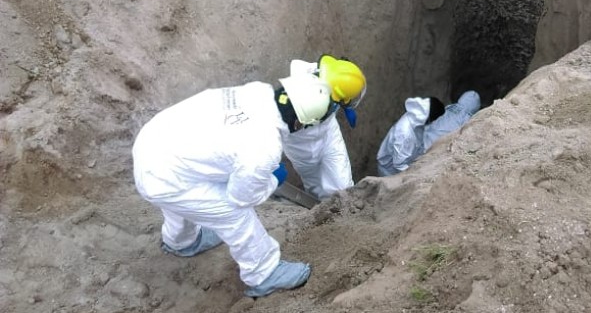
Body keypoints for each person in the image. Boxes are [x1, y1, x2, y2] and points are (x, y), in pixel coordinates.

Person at [132, 72, 333, 298]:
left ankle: (182, 241)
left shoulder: (257, 91)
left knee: (184, 198)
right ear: (299, 122)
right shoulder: (263, 147)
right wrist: (273, 179)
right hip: (166, 176)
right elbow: (242, 198)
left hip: (155, 144)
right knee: (234, 214)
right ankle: (264, 273)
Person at [281, 55, 367, 199]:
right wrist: (270, 163)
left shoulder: (333, 74)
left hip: (329, 136)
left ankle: (346, 212)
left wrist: (345, 105)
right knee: (315, 189)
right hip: (301, 146)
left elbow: (343, 83)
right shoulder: (291, 100)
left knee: (343, 187)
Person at [376, 96, 445, 177]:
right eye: (433, 120)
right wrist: (416, 174)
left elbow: (419, 144)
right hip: (390, 172)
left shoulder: (417, 118)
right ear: (429, 118)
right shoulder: (404, 134)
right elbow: (399, 164)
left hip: (406, 161)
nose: (433, 123)